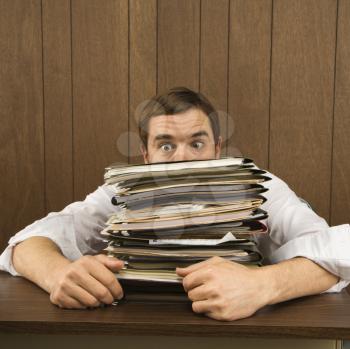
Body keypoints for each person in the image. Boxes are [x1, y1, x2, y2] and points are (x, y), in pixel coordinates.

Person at [1, 87, 349, 321]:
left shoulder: (258, 187)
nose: (182, 158)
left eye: (196, 143)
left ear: (217, 148)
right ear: (146, 155)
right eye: (166, 145)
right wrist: (57, 273)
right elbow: (29, 241)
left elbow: (337, 246)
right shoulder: (125, 192)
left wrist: (264, 285)